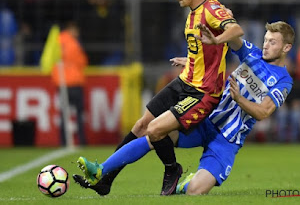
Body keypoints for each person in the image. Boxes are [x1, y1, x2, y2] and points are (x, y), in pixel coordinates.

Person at [74, 0, 244, 195]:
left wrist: (217, 41)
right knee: (141, 125)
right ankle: (105, 179)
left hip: (202, 93)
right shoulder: (193, 12)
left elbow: (235, 30)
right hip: (185, 81)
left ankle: (172, 168)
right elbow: (205, 51)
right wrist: (192, 60)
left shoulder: (212, 9)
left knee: (154, 130)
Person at [74, 20, 295, 196]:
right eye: (266, 40)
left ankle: (184, 185)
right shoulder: (252, 54)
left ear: (286, 47)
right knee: (155, 132)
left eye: (272, 42)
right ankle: (101, 169)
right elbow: (233, 39)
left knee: (195, 192)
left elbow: (264, 112)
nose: (266, 45)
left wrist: (240, 100)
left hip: (226, 140)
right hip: (205, 119)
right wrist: (205, 49)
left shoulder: (283, 81)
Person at [51, 21, 88, 146]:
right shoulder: (73, 43)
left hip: (62, 83)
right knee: (78, 113)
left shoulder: (56, 41)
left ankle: (63, 141)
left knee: (64, 113)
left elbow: (50, 60)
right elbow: (82, 61)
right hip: (75, 82)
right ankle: (82, 141)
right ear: (71, 28)